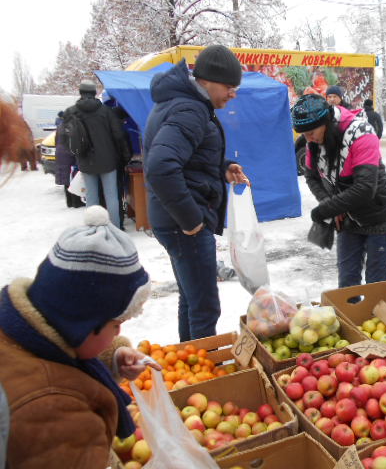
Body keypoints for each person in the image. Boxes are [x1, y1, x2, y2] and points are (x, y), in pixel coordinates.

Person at [0, 205, 159, 468]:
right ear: (84, 324)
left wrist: (111, 359)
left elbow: (61, 357)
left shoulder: (17, 334)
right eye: (115, 324)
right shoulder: (57, 412)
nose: (119, 332)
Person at [144, 45, 249, 342]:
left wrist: (222, 168)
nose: (233, 94)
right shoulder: (190, 110)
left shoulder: (183, 104)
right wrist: (190, 219)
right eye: (229, 87)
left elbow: (187, 158)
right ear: (208, 81)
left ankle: (189, 359)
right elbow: (161, 166)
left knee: (191, 300)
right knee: (204, 307)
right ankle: (205, 366)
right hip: (183, 224)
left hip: (172, 220)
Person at [292, 94, 386, 288]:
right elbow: (311, 176)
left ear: (326, 122)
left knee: (376, 286)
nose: (309, 139)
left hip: (379, 216)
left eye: (311, 132)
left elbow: (365, 188)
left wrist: (326, 209)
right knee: (347, 285)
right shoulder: (313, 142)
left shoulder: (362, 133)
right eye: (304, 134)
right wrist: (329, 203)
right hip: (348, 219)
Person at [63, 80, 130, 228]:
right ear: (94, 93)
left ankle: (93, 229)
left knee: (91, 196)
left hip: (85, 160)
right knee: (111, 196)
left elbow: (65, 139)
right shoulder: (106, 112)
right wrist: (125, 156)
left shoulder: (71, 112)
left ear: (80, 92)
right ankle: (115, 229)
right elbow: (118, 135)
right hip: (108, 160)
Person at [54, 110, 84, 208]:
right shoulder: (72, 125)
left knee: (67, 178)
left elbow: (56, 140)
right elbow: (74, 141)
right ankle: (76, 202)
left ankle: (69, 202)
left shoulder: (61, 125)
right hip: (69, 153)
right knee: (74, 176)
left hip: (61, 153)